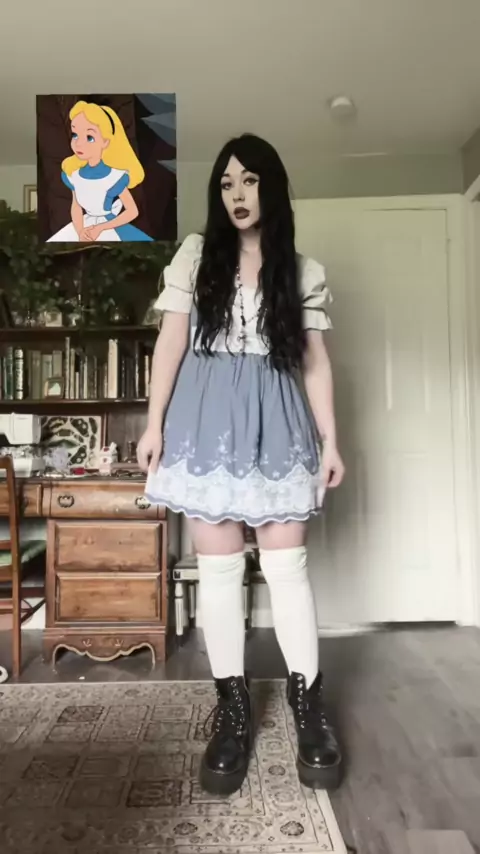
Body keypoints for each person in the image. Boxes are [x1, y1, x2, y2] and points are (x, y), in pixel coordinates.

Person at [137, 133, 345, 796]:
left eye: (250, 180)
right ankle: (231, 709)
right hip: (206, 426)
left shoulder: (300, 270)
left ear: (271, 188)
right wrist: (153, 425)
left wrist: (331, 440)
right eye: (227, 183)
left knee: (288, 570)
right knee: (221, 575)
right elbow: (171, 343)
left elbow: (314, 362)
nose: (237, 194)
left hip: (279, 424)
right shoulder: (196, 257)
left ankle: (308, 706)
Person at [47, 100, 153, 242]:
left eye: (89, 137)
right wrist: (80, 232)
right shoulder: (74, 174)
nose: (79, 143)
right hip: (83, 227)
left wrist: (101, 228)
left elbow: (132, 211)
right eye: (75, 135)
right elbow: (76, 207)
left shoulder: (115, 176)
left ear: (105, 142)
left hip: (108, 227)